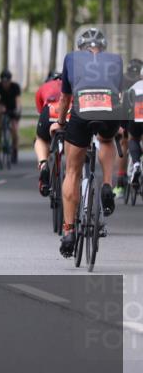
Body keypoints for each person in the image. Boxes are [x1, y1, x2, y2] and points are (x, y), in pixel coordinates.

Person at [55, 28, 124, 257]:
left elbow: (65, 97)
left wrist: (61, 121)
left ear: (80, 47)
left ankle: (68, 232)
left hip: (82, 107)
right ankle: (106, 184)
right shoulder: (116, 59)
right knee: (107, 139)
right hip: (109, 107)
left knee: (72, 171)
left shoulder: (71, 58)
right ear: (102, 47)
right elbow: (120, 95)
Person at [114, 58, 143, 196]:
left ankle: (133, 167)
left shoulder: (130, 84)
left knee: (130, 140)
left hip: (134, 116)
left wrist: (123, 127)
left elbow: (124, 105)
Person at [33, 71, 63, 197]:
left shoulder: (43, 87)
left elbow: (41, 110)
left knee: (41, 139)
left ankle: (44, 163)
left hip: (49, 111)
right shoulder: (72, 84)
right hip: (68, 110)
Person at [0, 69, 22, 162]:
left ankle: (15, 151)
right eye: (3, 82)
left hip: (13, 109)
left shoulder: (15, 87)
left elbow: (18, 100)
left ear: (10, 80)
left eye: (7, 81)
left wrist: (18, 109)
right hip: (3, 106)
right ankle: (0, 132)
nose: (5, 84)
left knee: (14, 130)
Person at [125, 62, 143, 192]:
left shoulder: (134, 87)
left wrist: (123, 126)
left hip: (136, 116)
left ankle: (136, 163)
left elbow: (126, 107)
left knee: (133, 138)